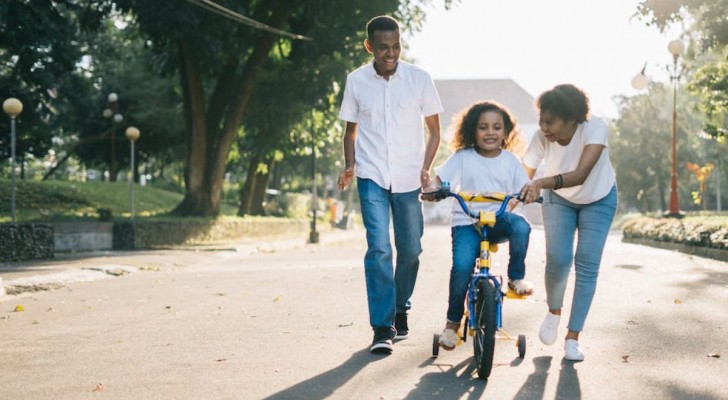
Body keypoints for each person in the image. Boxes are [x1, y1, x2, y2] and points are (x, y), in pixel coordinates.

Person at [336, 15, 443, 354]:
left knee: (411, 250)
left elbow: (435, 130)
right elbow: (350, 131)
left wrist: (426, 169)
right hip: (371, 176)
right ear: (370, 46)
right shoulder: (356, 81)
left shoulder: (419, 79)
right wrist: (351, 165)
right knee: (380, 248)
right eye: (383, 47)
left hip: (410, 177)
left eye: (396, 46)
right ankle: (382, 327)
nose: (391, 53)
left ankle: (400, 308)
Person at [423, 101, 534, 350]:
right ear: (473, 130)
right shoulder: (463, 157)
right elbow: (439, 180)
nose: (490, 132)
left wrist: (528, 193)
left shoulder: (511, 161)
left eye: (497, 127)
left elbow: (524, 187)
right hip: (467, 221)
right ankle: (452, 325)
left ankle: (516, 278)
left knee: (522, 227)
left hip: (498, 220)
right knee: (462, 267)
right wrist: (432, 189)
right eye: (483, 127)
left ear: (506, 132)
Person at [519, 84, 618, 362]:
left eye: (550, 121)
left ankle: (573, 337)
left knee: (586, 263)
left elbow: (581, 174)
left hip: (598, 198)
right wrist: (509, 201)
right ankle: (554, 311)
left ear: (572, 118)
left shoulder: (594, 128)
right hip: (559, 200)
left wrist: (540, 182)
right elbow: (522, 175)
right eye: (541, 119)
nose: (543, 127)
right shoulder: (542, 137)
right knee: (558, 260)